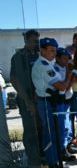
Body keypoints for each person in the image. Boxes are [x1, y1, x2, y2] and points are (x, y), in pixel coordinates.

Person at [31, 37, 71, 167]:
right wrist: (70, 75)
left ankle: (55, 159)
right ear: (42, 50)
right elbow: (62, 86)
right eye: (51, 51)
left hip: (52, 102)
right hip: (46, 102)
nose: (54, 54)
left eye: (55, 51)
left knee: (56, 133)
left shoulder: (48, 64)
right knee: (49, 134)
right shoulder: (43, 66)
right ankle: (52, 162)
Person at [10, 30, 42, 167]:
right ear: (26, 41)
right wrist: (28, 101)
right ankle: (33, 160)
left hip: (40, 98)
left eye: (37, 41)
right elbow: (14, 80)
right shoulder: (18, 57)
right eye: (34, 41)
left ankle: (41, 155)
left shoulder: (39, 56)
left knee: (41, 129)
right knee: (30, 131)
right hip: (26, 99)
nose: (36, 44)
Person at [54, 48, 77, 161]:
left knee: (68, 125)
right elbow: (65, 86)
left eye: (68, 58)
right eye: (64, 58)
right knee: (62, 126)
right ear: (57, 58)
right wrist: (70, 74)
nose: (66, 60)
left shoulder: (65, 68)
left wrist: (72, 74)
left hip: (68, 99)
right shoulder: (56, 69)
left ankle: (68, 146)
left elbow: (72, 83)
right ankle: (62, 151)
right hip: (60, 101)